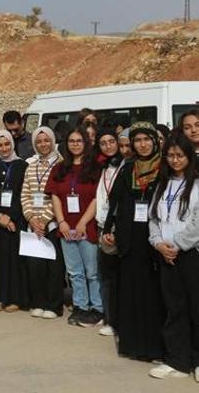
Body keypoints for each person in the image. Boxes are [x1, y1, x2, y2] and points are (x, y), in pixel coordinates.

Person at [102, 122, 166, 362]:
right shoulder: (128, 168)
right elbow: (114, 201)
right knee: (131, 291)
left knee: (153, 293)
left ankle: (155, 347)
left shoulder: (164, 168)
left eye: (147, 139)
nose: (143, 144)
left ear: (155, 141)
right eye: (137, 140)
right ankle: (133, 345)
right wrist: (108, 228)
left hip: (154, 238)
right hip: (129, 238)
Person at [147, 133, 199, 380]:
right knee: (174, 309)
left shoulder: (196, 185)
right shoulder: (162, 185)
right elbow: (153, 219)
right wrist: (159, 243)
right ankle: (178, 360)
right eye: (170, 155)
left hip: (190, 255)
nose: (175, 160)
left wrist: (176, 245)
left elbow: (197, 224)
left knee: (196, 308)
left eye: (180, 155)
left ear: (189, 156)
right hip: (166, 255)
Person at [46, 127, 102, 327]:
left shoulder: (95, 168)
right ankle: (80, 306)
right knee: (75, 272)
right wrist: (61, 222)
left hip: (86, 226)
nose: (75, 144)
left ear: (86, 143)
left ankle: (97, 308)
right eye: (71, 141)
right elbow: (55, 195)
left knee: (92, 271)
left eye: (79, 141)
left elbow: (97, 198)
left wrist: (83, 222)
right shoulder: (60, 168)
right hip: (66, 227)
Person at [20, 126, 65, 320]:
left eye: (46, 140)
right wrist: (31, 218)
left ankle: (54, 305)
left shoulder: (61, 165)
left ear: (53, 141)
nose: (43, 144)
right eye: (39, 142)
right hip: (33, 224)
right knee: (35, 266)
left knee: (53, 267)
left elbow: (59, 195)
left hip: (52, 223)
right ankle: (38, 302)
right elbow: (25, 194)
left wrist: (45, 220)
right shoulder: (31, 166)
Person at [0, 130, 29, 312]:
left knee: (15, 260)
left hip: (16, 219)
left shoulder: (22, 165)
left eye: (6, 144)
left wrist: (11, 217)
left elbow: (23, 194)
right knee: (1, 259)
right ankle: (3, 297)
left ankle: (16, 298)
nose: (3, 148)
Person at [94, 128, 125, 337]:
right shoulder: (102, 167)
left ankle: (119, 320)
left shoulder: (126, 166)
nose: (108, 146)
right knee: (106, 275)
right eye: (103, 143)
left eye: (112, 141)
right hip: (102, 224)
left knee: (119, 276)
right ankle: (109, 317)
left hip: (119, 226)